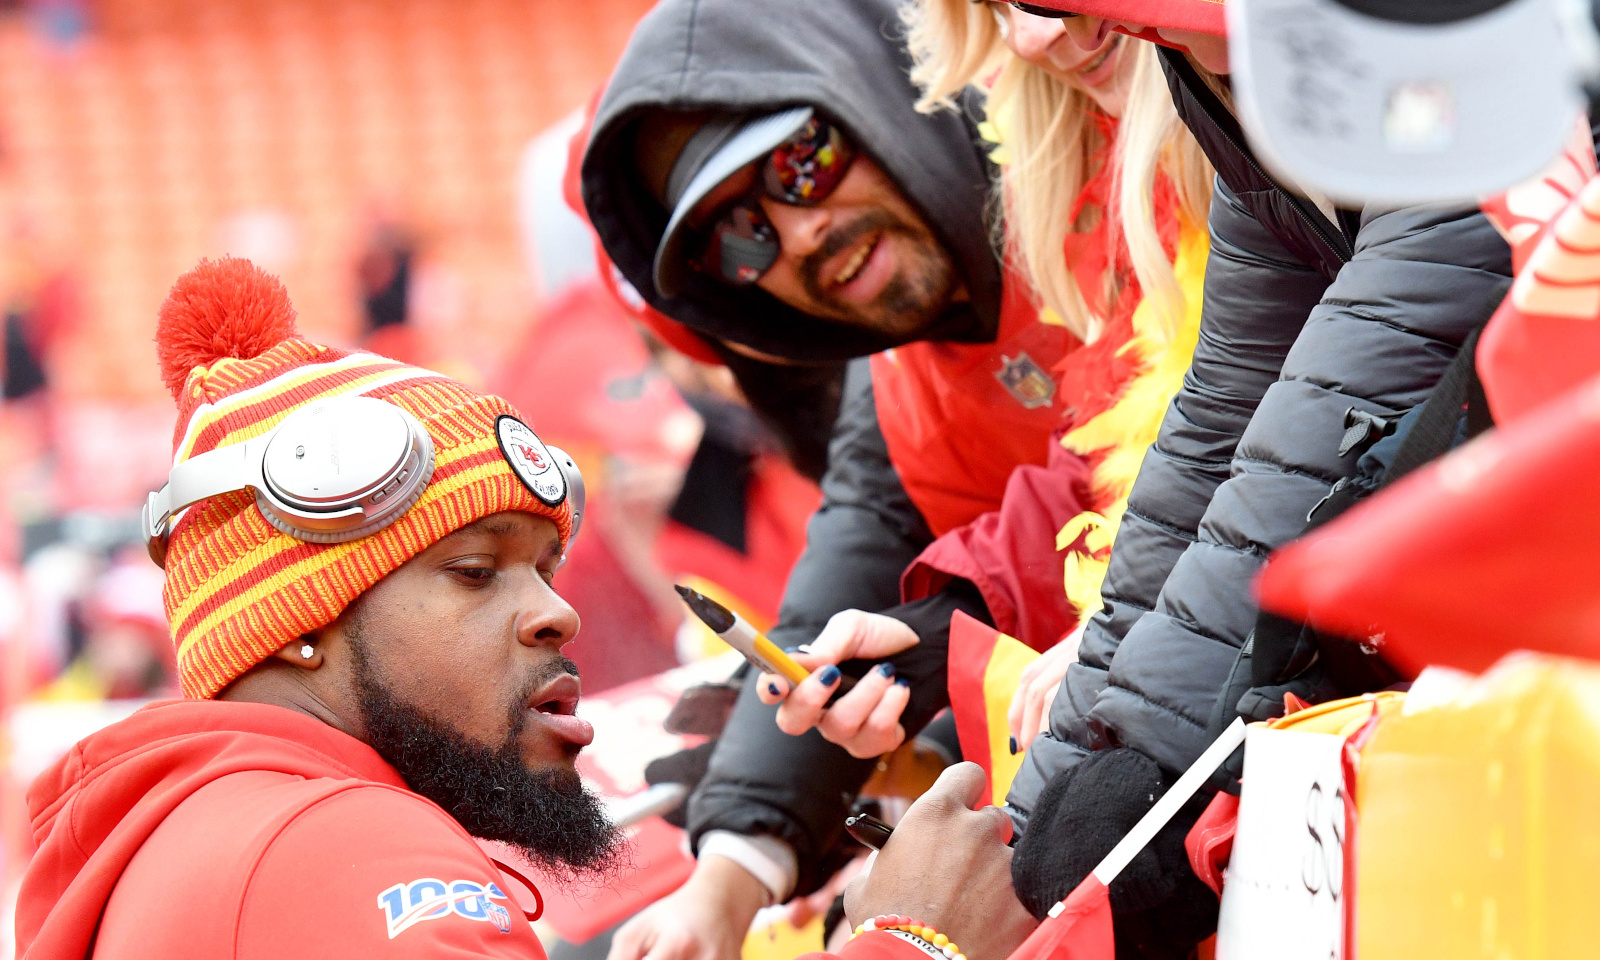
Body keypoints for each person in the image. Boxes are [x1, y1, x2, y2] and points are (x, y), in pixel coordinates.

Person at [12, 257, 1031, 960]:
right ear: (297, 622)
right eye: (474, 570)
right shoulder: (338, 844)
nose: (555, 616)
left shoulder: (205, 837)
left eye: (544, 567)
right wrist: (914, 941)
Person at [578, 0, 1209, 957]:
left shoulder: (1112, 129)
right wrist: (725, 885)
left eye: (802, 163)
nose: (796, 236)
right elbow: (852, 578)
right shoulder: (897, 376)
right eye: (740, 238)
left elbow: (1246, 438)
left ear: (871, 98)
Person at [956, 3, 1513, 956]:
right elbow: (1220, 423)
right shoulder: (1242, 91)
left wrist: (1138, 797)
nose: (1047, 33)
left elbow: (1330, 411)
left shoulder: (1469, 57)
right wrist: (1037, 808)